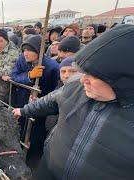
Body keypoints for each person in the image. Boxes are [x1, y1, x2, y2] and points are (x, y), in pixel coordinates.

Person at [12, 24, 134, 180]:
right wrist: (23, 110)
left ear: (122, 81)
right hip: (48, 170)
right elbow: (50, 100)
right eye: (83, 72)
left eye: (93, 76)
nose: (82, 79)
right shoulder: (78, 85)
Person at [10, 35, 59, 158]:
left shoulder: (53, 67)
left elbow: (54, 90)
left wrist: (41, 97)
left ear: (39, 50)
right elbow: (14, 75)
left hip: (40, 103)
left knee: (37, 127)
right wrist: (29, 75)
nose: (25, 53)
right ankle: (18, 146)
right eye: (24, 50)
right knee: (20, 123)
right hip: (22, 99)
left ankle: (34, 152)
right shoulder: (21, 60)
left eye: (29, 50)